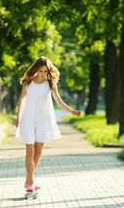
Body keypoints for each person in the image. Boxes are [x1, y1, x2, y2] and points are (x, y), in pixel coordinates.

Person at [15, 56, 81, 192]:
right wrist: (18, 117)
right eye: (40, 71)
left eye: (45, 71)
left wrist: (72, 111)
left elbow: (59, 102)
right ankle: (30, 182)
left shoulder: (50, 84)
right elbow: (21, 100)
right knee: (30, 149)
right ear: (36, 69)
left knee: (38, 151)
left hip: (42, 120)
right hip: (28, 118)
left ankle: (29, 178)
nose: (43, 74)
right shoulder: (28, 82)